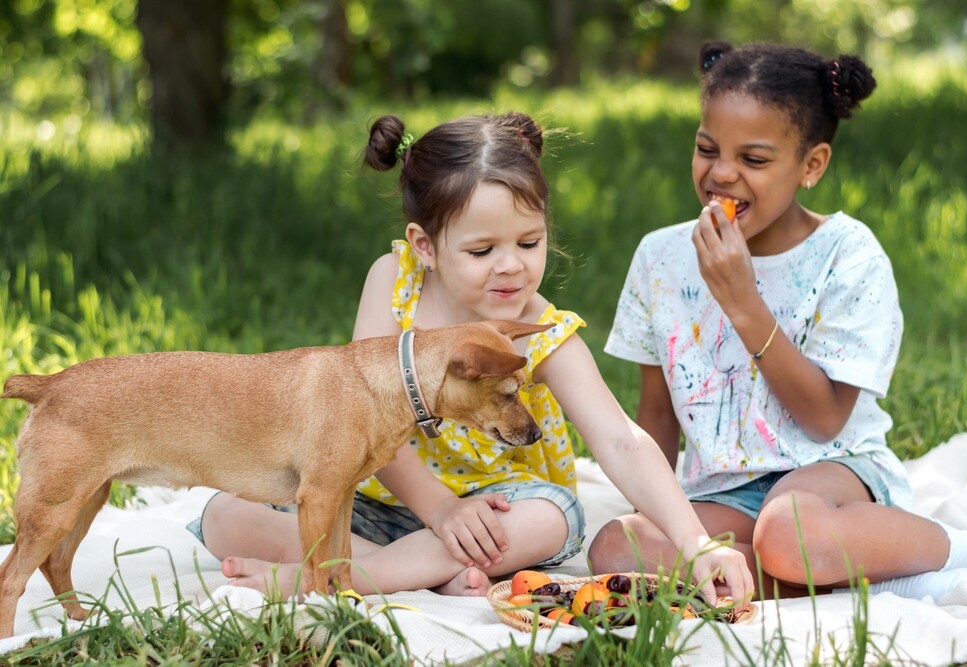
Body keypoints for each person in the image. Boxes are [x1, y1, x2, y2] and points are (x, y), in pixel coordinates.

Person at [190, 110, 754, 606]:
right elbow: (358, 420)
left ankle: (344, 576)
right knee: (225, 515)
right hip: (379, 500)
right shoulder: (394, 283)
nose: (511, 266)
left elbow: (619, 440)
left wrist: (696, 543)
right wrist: (437, 510)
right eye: (482, 250)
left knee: (556, 517)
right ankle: (415, 569)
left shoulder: (539, 331)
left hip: (496, 512)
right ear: (425, 246)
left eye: (529, 243)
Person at [586, 40, 967, 602]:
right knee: (616, 548)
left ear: (812, 165)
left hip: (832, 472)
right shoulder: (660, 258)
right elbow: (657, 415)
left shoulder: (847, 254)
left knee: (787, 531)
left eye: (754, 160)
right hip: (726, 491)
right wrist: (664, 519)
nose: (722, 174)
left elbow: (826, 419)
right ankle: (862, 574)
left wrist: (742, 302)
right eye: (707, 149)